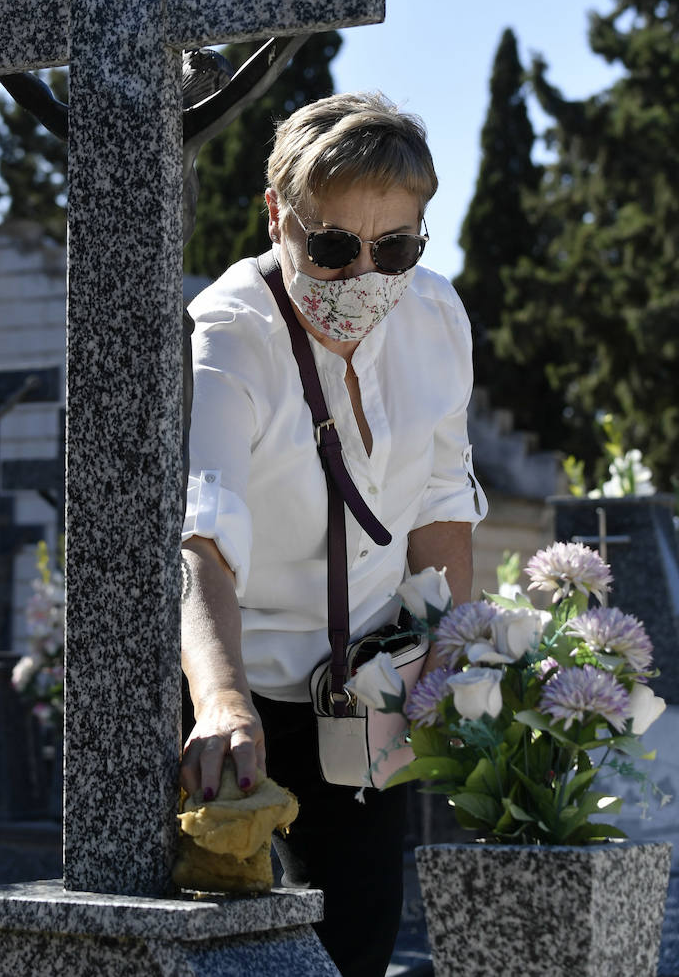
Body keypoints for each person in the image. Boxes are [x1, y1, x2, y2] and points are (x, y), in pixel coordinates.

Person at [180, 92, 487, 977]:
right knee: (217, 946)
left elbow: (439, 503)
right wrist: (224, 704)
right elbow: (205, 537)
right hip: (235, 687)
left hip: (365, 695)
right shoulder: (230, 335)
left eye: (393, 248)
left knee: (358, 941)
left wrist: (445, 653)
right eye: (331, 248)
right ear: (278, 218)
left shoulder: (435, 316)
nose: (363, 277)